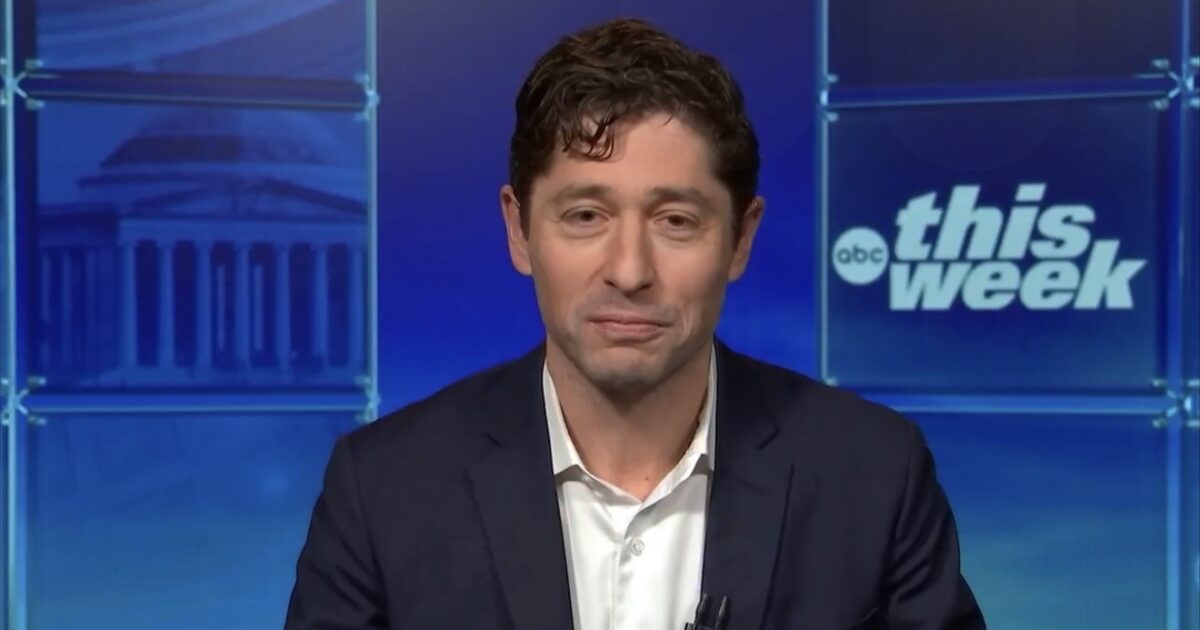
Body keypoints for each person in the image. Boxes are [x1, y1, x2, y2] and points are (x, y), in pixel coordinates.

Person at [285, 17, 985, 630]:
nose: (628, 270)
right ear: (519, 231)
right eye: (585, 216)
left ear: (740, 239)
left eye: (676, 221)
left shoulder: (873, 474)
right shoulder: (383, 490)